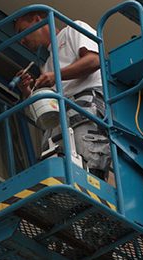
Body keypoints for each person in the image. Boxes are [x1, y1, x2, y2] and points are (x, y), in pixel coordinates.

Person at [13, 12, 111, 179]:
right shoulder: (47, 64)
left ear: (38, 20)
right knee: (51, 145)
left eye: (23, 31)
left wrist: (55, 75)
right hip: (64, 112)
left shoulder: (73, 29)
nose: (22, 40)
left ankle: (91, 178)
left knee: (85, 153)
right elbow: (46, 107)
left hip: (86, 101)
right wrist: (28, 91)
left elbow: (94, 60)